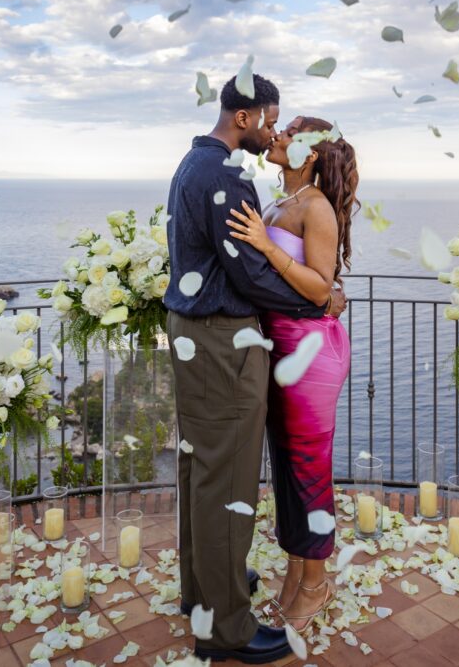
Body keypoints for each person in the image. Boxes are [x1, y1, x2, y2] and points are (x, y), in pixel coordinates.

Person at [163, 75, 346, 664]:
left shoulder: (196, 163)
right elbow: (246, 275)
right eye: (272, 121)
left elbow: (258, 265)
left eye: (286, 128)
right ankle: (226, 630)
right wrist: (318, 300)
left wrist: (316, 296)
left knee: (204, 473)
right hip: (223, 342)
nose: (274, 131)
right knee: (225, 482)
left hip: (223, 340)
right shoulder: (226, 176)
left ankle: (208, 596)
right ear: (244, 118)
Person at [226, 116, 356, 633]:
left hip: (309, 350)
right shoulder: (282, 202)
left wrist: (265, 244)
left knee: (306, 465)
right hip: (280, 345)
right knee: (286, 464)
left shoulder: (316, 207)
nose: (276, 136)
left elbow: (322, 288)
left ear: (307, 155)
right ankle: (298, 572)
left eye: (290, 134)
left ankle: (316, 581)